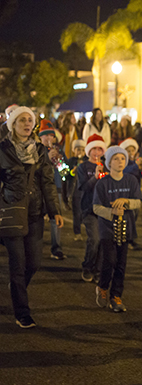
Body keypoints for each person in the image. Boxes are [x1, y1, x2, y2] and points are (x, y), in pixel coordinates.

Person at [0, 107, 64, 328]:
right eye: (22, 120)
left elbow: (47, 182)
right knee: (17, 264)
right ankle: (22, 312)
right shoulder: (3, 149)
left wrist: (54, 210)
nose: (27, 124)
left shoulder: (39, 149)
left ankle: (16, 288)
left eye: (30, 120)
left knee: (34, 263)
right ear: (13, 124)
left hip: (35, 212)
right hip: (11, 211)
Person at [92, 146, 141, 312]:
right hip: (107, 228)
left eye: (122, 159)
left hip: (126, 228)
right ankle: (103, 287)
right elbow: (96, 208)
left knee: (121, 264)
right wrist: (111, 211)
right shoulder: (102, 183)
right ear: (109, 162)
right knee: (109, 261)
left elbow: (138, 202)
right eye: (115, 159)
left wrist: (126, 201)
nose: (119, 162)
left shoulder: (131, 180)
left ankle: (116, 296)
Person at [78, 134, 107, 283]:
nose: (97, 152)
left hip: (105, 210)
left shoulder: (107, 167)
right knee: (94, 239)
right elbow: (83, 187)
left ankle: (98, 269)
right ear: (88, 151)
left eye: (100, 149)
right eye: (94, 149)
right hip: (89, 209)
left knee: (104, 241)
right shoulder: (83, 167)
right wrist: (95, 177)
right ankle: (87, 266)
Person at [38, 120, 66, 260]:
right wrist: (47, 159)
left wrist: (60, 163)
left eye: (51, 136)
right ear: (40, 137)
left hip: (56, 186)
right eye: (46, 135)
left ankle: (56, 248)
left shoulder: (58, 149)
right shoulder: (36, 150)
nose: (49, 138)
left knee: (56, 217)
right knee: (37, 218)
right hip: (40, 188)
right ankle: (35, 248)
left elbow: (65, 173)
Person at [66, 139, 86, 241]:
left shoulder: (87, 161)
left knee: (83, 211)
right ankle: (77, 232)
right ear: (74, 150)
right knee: (76, 213)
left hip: (85, 191)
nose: (80, 152)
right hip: (75, 190)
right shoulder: (71, 161)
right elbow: (66, 176)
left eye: (82, 150)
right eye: (78, 149)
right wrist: (73, 172)